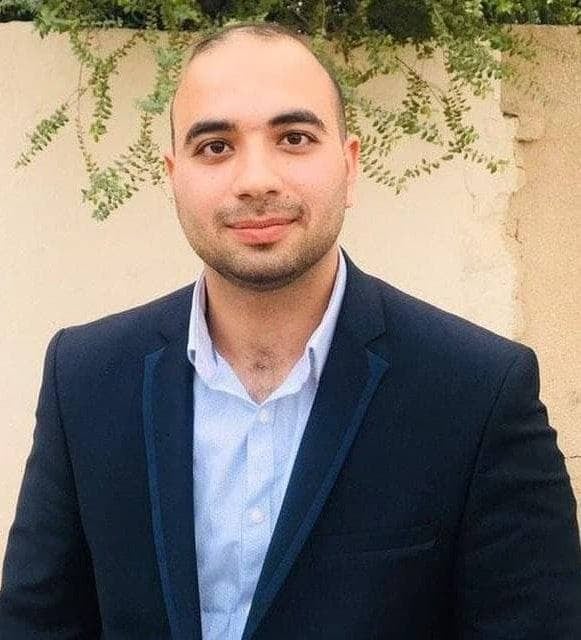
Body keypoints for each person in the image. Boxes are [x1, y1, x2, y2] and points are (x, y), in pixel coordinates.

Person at [1, 21, 580, 640]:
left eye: (295, 138)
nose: (256, 179)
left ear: (350, 166)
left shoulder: (480, 392)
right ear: (173, 175)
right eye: (215, 146)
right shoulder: (84, 378)